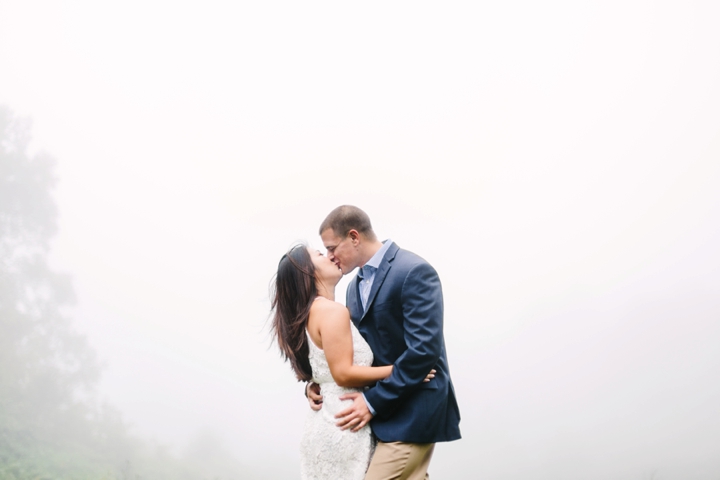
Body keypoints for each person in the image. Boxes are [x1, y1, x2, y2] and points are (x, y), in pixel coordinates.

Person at [307, 205, 461, 480]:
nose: (330, 257)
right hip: (381, 421)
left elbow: (424, 351)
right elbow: (358, 354)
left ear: (354, 237)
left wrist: (372, 401)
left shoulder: (414, 271)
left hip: (414, 412)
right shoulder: (353, 288)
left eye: (332, 248)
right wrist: (317, 382)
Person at [270, 244, 435, 479]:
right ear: (308, 271)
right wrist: (403, 370)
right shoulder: (332, 312)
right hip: (346, 425)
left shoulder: (306, 316)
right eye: (319, 254)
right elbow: (343, 373)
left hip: (324, 424)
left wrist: (312, 385)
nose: (329, 257)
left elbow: (322, 370)